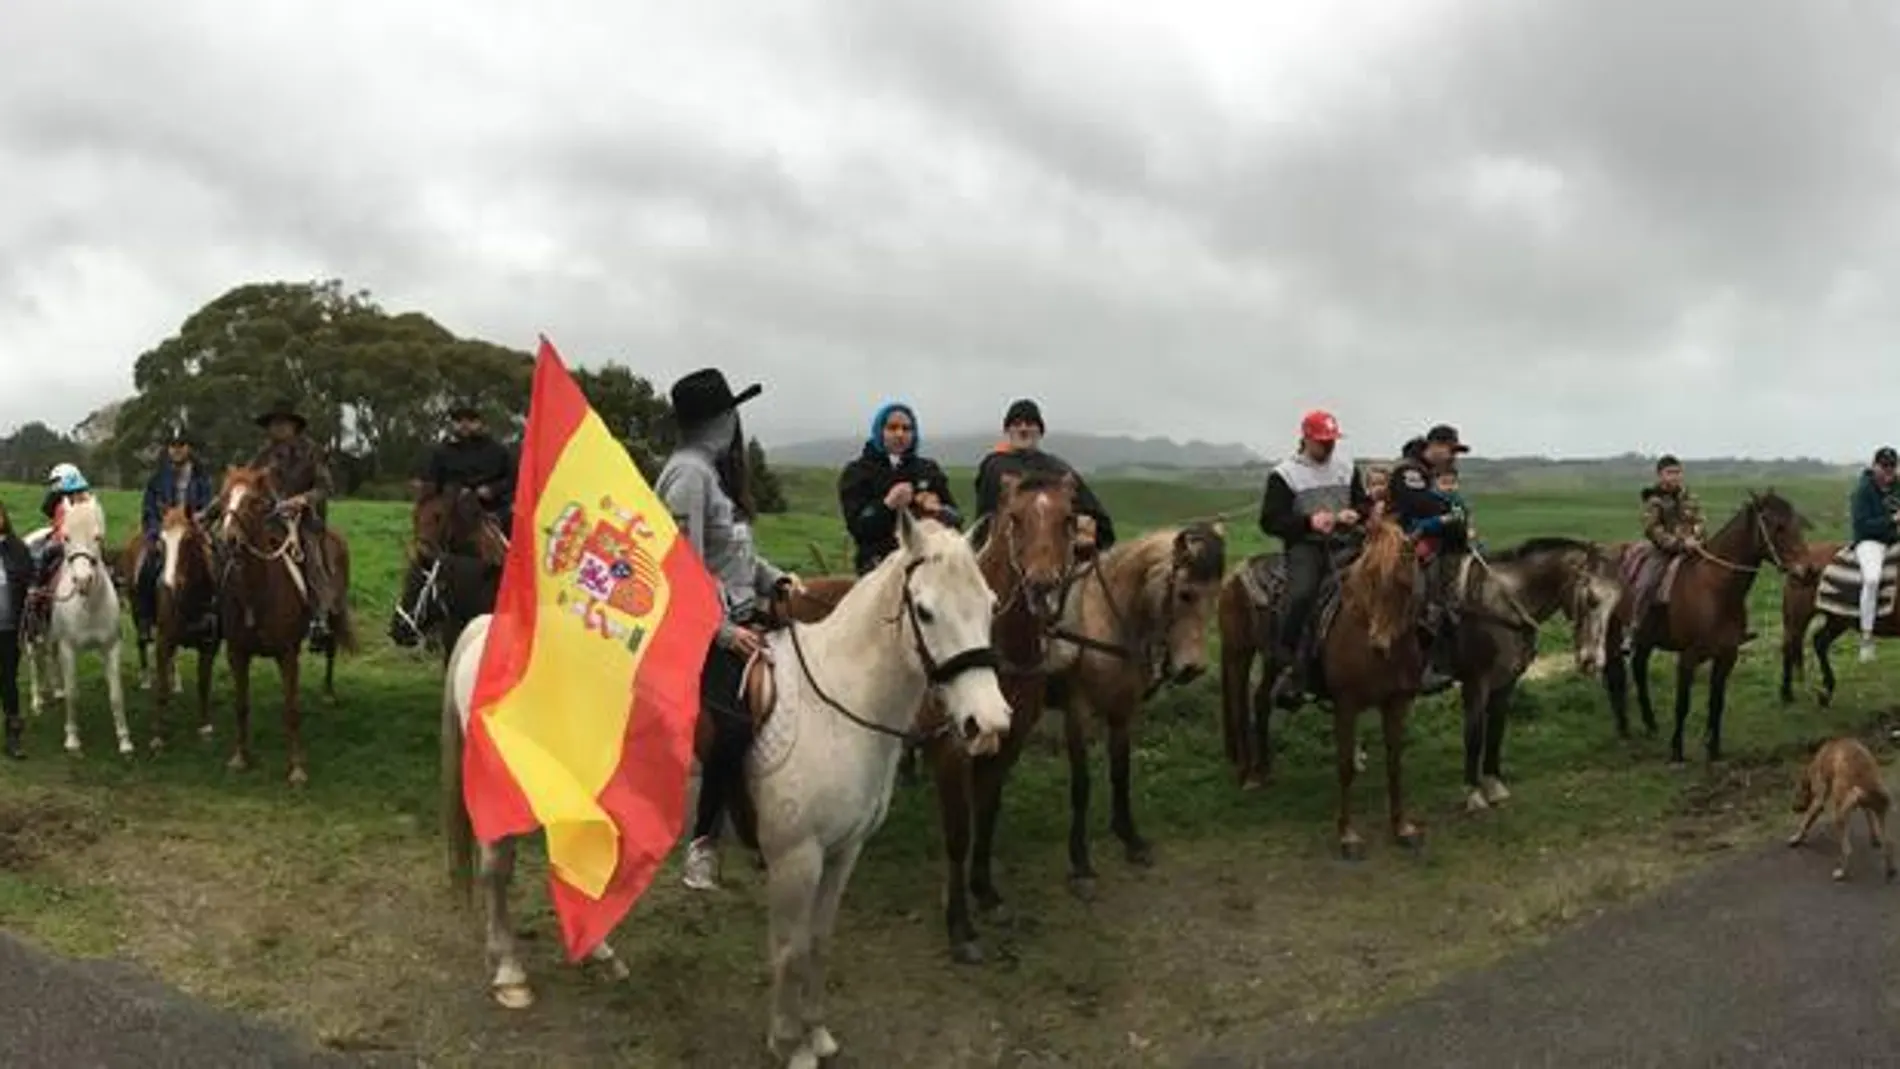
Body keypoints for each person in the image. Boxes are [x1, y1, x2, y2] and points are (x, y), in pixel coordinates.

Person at [656, 367, 802, 892]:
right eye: (731, 413)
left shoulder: (711, 473)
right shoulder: (688, 477)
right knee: (735, 726)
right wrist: (720, 632)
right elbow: (682, 571)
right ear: (718, 421)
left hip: (740, 613)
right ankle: (703, 845)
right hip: (703, 629)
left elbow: (733, 555)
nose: (736, 422)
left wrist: (775, 577)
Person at [1258, 409, 1371, 709]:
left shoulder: (1346, 466)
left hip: (1347, 541)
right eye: (1323, 441)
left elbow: (1363, 501)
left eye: (1332, 440)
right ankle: (1288, 664)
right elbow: (1270, 520)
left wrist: (1356, 512)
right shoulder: (1284, 474)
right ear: (1306, 439)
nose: (1329, 446)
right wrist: (1308, 523)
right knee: (1302, 594)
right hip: (1306, 546)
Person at [1386, 423, 1472, 695]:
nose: (1453, 457)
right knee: (1425, 597)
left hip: (1436, 544)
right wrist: (1451, 512)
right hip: (1403, 544)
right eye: (1450, 450)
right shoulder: (1408, 471)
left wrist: (1454, 516)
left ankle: (1448, 658)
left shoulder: (1430, 473)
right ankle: (1418, 666)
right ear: (1433, 445)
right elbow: (1420, 505)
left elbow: (1449, 509)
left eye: (1456, 452)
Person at [971, 398, 1115, 556]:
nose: (1023, 429)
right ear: (1008, 431)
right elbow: (985, 518)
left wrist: (1082, 525)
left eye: (1030, 423)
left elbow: (1096, 516)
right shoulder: (995, 466)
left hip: (1057, 556)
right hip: (1007, 556)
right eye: (1016, 424)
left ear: (1040, 431)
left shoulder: (1059, 469)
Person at [247, 400, 338, 648]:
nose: (277, 429)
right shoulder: (262, 456)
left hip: (304, 522)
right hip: (268, 520)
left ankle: (320, 617)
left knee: (312, 557)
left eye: (282, 423)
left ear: (294, 426)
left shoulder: (312, 452)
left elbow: (325, 487)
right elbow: (243, 483)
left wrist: (303, 499)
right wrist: (210, 513)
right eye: (273, 424)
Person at [838, 401, 962, 574]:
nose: (900, 434)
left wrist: (938, 510)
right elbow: (858, 528)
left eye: (906, 428)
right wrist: (887, 504)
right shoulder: (857, 472)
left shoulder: (928, 469)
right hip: (878, 568)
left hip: (928, 568)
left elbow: (957, 520)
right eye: (892, 428)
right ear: (879, 431)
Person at [136, 428, 216, 638]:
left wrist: (202, 520)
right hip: (166, 533)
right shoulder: (156, 479)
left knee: (219, 563)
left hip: (193, 532)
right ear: (168, 449)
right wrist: (155, 533)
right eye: (173, 445)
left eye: (181, 445)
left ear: (188, 448)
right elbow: (148, 510)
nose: (177, 450)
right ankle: (145, 618)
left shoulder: (202, 477)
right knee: (146, 568)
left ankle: (213, 615)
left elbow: (209, 505)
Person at [413, 401, 517, 537]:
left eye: (470, 420)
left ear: (480, 423)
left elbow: (512, 479)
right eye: (459, 420)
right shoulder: (442, 453)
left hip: (492, 509)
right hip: (452, 510)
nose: (464, 424)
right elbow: (433, 481)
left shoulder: (498, 451)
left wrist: (492, 489)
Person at [1848, 446, 1900, 664]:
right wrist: (1893, 521)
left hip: (1895, 538)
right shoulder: (1863, 490)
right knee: (1871, 579)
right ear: (1875, 466)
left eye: (1892, 466)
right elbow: (1862, 525)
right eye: (1884, 466)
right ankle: (1867, 637)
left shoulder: (1898, 486)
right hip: (1870, 542)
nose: (1888, 471)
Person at [0, 502, 31, 759]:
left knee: (9, 680)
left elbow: (30, 581)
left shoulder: (17, 549)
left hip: (9, 628)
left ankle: (13, 736)